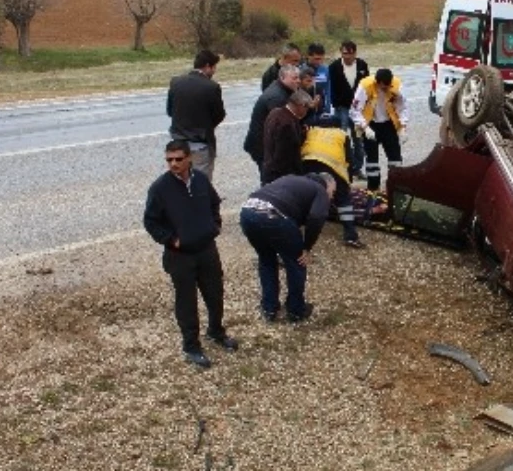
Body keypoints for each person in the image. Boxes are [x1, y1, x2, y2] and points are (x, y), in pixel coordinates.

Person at [143, 140, 238, 368]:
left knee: (215, 294)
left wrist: (214, 226)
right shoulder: (160, 188)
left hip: (206, 249)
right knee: (187, 302)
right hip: (180, 256)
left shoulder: (201, 180)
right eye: (169, 160)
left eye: (177, 159)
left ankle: (216, 331)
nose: (173, 164)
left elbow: (215, 203)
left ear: (189, 159)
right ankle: (191, 346)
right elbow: (150, 221)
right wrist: (171, 240)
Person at [239, 172, 336, 323]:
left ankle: (269, 308)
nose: (331, 197)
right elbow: (317, 217)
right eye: (333, 192)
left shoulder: (291, 179)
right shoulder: (320, 189)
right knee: (297, 261)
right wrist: (307, 247)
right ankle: (296, 310)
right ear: (327, 184)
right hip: (274, 215)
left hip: (248, 211)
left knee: (266, 260)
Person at [300, 124, 364, 248]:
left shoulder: (312, 130)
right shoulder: (342, 134)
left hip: (307, 162)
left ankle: (301, 223)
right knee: (343, 199)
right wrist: (347, 182)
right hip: (331, 165)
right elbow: (349, 160)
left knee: (307, 193)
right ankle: (350, 235)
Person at [166, 50, 226, 180]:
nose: (214, 71)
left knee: (179, 179)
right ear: (207, 66)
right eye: (214, 67)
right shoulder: (212, 87)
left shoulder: (176, 82)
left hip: (178, 142)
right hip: (201, 142)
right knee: (200, 182)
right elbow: (219, 115)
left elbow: (170, 111)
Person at [351, 68, 409, 191]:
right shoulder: (365, 86)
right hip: (371, 124)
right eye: (384, 86)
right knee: (372, 160)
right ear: (378, 83)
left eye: (388, 85)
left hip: (388, 124)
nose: (386, 89)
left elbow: (403, 106)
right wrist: (365, 128)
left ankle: (396, 186)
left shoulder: (396, 85)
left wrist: (403, 127)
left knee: (395, 158)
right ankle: (373, 188)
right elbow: (355, 110)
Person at [244, 64, 301, 180]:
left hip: (265, 141)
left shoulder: (282, 89)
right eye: (294, 78)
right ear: (283, 78)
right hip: (261, 144)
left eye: (298, 78)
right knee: (271, 176)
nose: (298, 81)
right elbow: (282, 125)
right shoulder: (277, 98)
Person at [329, 40, 370, 178]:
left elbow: (367, 86)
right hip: (342, 109)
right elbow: (331, 88)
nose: (347, 57)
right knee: (341, 138)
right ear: (341, 52)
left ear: (355, 53)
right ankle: (342, 168)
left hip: (358, 110)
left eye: (350, 54)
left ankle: (357, 168)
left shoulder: (362, 65)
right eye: (344, 53)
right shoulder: (334, 67)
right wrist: (337, 104)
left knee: (359, 140)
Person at [261, 90, 312, 184]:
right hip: (281, 177)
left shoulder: (275, 112)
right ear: (301, 105)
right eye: (307, 108)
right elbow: (283, 156)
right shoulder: (287, 124)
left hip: (268, 168)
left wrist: (302, 133)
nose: (306, 112)